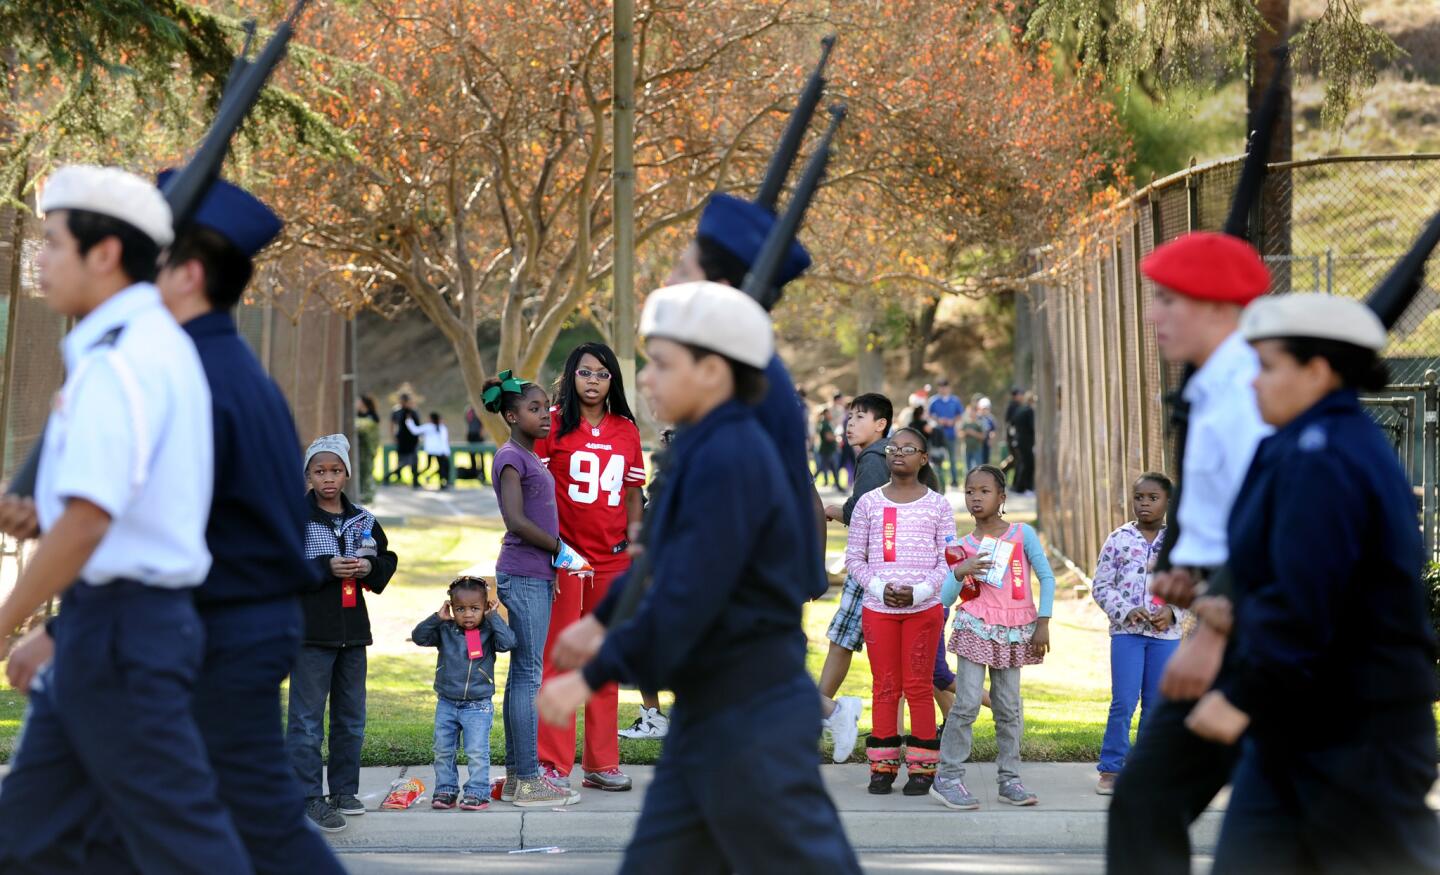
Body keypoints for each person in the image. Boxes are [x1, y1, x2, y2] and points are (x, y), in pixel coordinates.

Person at [537, 280, 860, 873]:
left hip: (750, 712)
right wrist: (603, 623)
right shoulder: (700, 448)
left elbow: (691, 595)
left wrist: (591, 675)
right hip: (710, 708)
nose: (648, 380)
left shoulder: (731, 457)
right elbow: (658, 554)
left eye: (662, 364)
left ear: (712, 370)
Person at [0, 166, 251, 872]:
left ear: (104, 253)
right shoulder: (147, 347)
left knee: (189, 848)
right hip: (110, 629)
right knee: (30, 842)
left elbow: (88, 521)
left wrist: (5, 620)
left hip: (124, 637)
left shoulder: (121, 361)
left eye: (52, 241)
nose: (39, 259)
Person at [1183, 294, 1440, 873]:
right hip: (1297, 726)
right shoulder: (1298, 444)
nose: (1252, 384)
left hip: (1356, 735)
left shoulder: (1326, 457)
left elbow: (1313, 602)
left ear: (1318, 370)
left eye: (1268, 367)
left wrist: (1241, 694)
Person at [1105, 231, 1272, 875]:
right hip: (1227, 623)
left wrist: (1212, 632)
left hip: (1251, 637)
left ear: (1217, 307)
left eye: (1168, 299)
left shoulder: (1247, 393)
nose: (1152, 315)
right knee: (1147, 803)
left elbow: (1269, 517)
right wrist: (1186, 567)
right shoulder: (1212, 387)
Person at [534, 342, 646, 793]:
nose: (594, 381)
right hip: (566, 557)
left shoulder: (626, 429)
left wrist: (635, 544)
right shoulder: (553, 425)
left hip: (612, 558)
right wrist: (554, 548)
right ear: (571, 376)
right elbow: (538, 492)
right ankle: (553, 764)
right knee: (559, 657)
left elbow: (635, 494)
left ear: (613, 380)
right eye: (585, 372)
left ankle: (601, 762)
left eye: (602, 373)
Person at [485, 370, 584, 808]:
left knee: (524, 677)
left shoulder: (528, 457)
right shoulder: (512, 457)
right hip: (523, 574)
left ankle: (515, 779)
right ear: (510, 414)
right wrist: (563, 550)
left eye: (546, 408)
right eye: (534, 409)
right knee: (527, 676)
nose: (545, 416)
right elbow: (517, 521)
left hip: (535, 574)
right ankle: (527, 780)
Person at [288, 434, 398, 829]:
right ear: (308, 475)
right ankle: (307, 795)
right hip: (310, 636)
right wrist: (323, 568)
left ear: (347, 474)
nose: (328, 479)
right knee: (305, 720)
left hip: (354, 634)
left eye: (335, 471)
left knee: (351, 717)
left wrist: (369, 569)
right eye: (320, 471)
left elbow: (386, 558)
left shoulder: (363, 519)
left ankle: (344, 790)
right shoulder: (294, 519)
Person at [931, 464, 1056, 810]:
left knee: (1008, 707)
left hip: (1015, 631)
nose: (975, 497)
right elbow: (945, 598)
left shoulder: (1022, 534)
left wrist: (1043, 620)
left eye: (984, 491)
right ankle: (948, 777)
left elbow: (1046, 577)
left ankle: (1009, 780)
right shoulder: (962, 544)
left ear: (1001, 497)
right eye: (970, 491)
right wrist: (960, 571)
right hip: (976, 627)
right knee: (968, 701)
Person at [846, 426, 953, 796]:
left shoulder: (937, 505)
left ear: (924, 459)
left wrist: (921, 591)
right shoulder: (869, 503)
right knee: (886, 686)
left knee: (918, 686)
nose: (898, 453)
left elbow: (948, 559)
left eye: (909, 449)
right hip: (879, 609)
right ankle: (883, 765)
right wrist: (879, 587)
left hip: (924, 609)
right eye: (893, 447)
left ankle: (922, 767)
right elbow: (854, 558)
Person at [1092, 473, 1181, 795]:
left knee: (1156, 704)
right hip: (1126, 635)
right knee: (1124, 701)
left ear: (1168, 502)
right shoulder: (1119, 538)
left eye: (1152, 498)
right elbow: (1101, 585)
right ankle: (1112, 769)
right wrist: (1126, 611)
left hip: (1166, 638)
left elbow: (1193, 586)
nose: (1144, 503)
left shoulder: (1178, 543)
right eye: (1139, 497)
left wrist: (1173, 610)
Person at [818, 392, 894, 762]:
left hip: (871, 568)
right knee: (920, 663)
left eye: (860, 417)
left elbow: (864, 509)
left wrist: (834, 508)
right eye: (849, 417)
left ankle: (823, 714)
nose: (850, 423)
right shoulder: (882, 455)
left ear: (881, 425)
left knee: (842, 638)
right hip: (881, 567)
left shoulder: (874, 457)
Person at [412, 575, 515, 811]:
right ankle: (446, 790)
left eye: (475, 608)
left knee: (477, 751)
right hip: (447, 703)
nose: (467, 614)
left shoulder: (490, 631)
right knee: (443, 750)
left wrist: (494, 618)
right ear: (450, 607)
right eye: (460, 609)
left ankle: (477, 792)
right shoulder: (445, 630)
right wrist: (437, 618)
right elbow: (419, 637)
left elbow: (509, 642)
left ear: (486, 607)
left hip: (478, 706)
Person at [926, 379, 963, 489]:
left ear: (949, 388)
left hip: (951, 433)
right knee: (937, 458)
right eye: (941, 387)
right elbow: (928, 414)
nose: (943, 389)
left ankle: (954, 481)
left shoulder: (955, 400)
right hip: (937, 435)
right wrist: (938, 420)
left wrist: (953, 421)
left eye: (945, 387)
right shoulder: (933, 401)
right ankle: (938, 480)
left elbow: (960, 414)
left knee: (952, 458)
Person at [408, 411, 452, 489]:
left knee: (439, 467)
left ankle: (442, 483)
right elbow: (445, 442)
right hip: (437, 452)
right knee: (436, 467)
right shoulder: (432, 427)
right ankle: (416, 479)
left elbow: (415, 430)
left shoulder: (439, 428)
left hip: (438, 452)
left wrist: (409, 421)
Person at [389, 392, 421, 487]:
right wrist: (393, 436)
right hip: (402, 439)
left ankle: (415, 480)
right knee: (402, 461)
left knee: (414, 461)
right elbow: (392, 424)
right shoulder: (396, 411)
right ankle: (396, 477)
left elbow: (418, 425)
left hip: (412, 440)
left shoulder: (413, 411)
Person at [1009, 393, 1036, 496]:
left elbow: (1011, 424)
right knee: (1028, 465)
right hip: (1027, 441)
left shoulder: (1019, 410)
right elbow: (1032, 426)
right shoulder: (1029, 411)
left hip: (1018, 440)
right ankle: (1026, 488)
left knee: (1021, 464)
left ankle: (1018, 486)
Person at [815, 409, 840, 487]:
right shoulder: (825, 424)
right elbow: (828, 437)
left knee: (831, 467)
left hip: (828, 450)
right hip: (826, 450)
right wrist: (836, 437)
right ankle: (810, 481)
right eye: (829, 413)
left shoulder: (826, 423)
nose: (831, 415)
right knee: (822, 467)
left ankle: (838, 485)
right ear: (825, 414)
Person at [960, 404, 986, 474]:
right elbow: (960, 435)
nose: (971, 413)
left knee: (978, 468)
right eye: (969, 412)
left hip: (976, 448)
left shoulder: (979, 424)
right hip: (966, 449)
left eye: (972, 411)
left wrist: (973, 433)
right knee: (967, 469)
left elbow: (983, 436)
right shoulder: (965, 424)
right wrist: (965, 433)